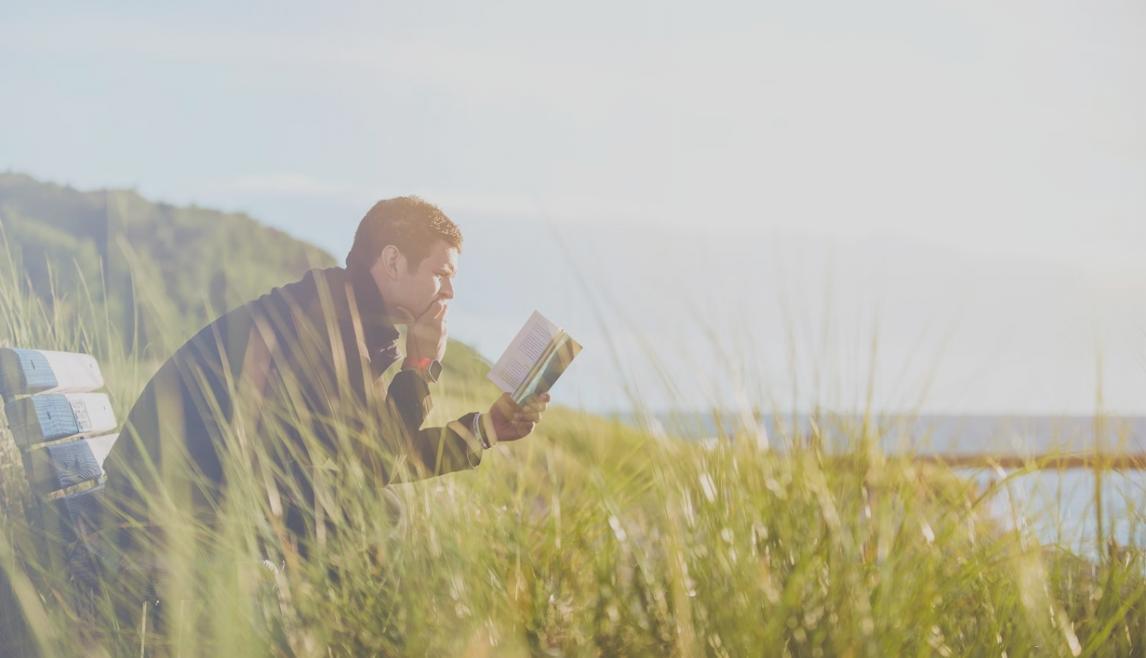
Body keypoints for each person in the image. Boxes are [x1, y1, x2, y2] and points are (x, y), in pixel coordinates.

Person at [94, 196, 548, 592]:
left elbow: (373, 453)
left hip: (197, 492)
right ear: (392, 261)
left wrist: (485, 429)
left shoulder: (348, 316)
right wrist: (420, 365)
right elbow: (377, 461)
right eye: (441, 273)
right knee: (374, 512)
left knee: (368, 507)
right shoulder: (327, 319)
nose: (450, 291)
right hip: (159, 511)